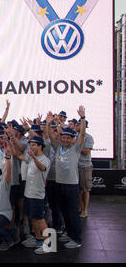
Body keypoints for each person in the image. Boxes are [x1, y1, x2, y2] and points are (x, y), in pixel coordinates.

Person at [46, 106, 86, 249]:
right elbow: (51, 136)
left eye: (67, 137)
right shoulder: (58, 147)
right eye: (63, 137)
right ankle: (69, 233)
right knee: (64, 211)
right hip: (59, 184)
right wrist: (49, 123)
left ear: (72, 139)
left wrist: (82, 118)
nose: (64, 139)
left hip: (71, 185)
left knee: (72, 213)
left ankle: (76, 239)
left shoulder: (75, 148)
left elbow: (81, 135)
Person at [12, 136, 51, 254]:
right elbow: (19, 155)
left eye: (34, 145)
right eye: (30, 145)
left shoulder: (45, 160)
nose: (31, 147)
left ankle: (49, 244)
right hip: (28, 194)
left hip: (37, 195)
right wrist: (13, 141)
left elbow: (42, 168)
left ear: (40, 146)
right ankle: (38, 240)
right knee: (33, 218)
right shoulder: (30, 158)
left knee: (40, 219)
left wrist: (33, 157)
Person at [75, 119, 94, 218]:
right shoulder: (74, 136)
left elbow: (86, 151)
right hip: (75, 166)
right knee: (78, 189)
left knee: (85, 189)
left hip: (85, 166)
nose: (76, 126)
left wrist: (75, 145)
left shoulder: (88, 137)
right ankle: (80, 207)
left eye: (78, 124)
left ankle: (85, 210)